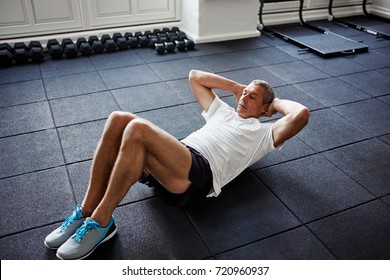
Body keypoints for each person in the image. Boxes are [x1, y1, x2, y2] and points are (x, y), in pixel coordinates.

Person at [44, 69, 309, 260]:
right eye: (246, 93)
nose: (244, 98)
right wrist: (237, 88)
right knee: (118, 118)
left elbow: (301, 114)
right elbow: (195, 76)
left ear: (264, 110)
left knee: (136, 127)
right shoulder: (223, 111)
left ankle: (101, 223)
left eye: (252, 98)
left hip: (199, 174)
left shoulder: (264, 133)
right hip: (180, 157)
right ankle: (86, 211)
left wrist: (274, 104)